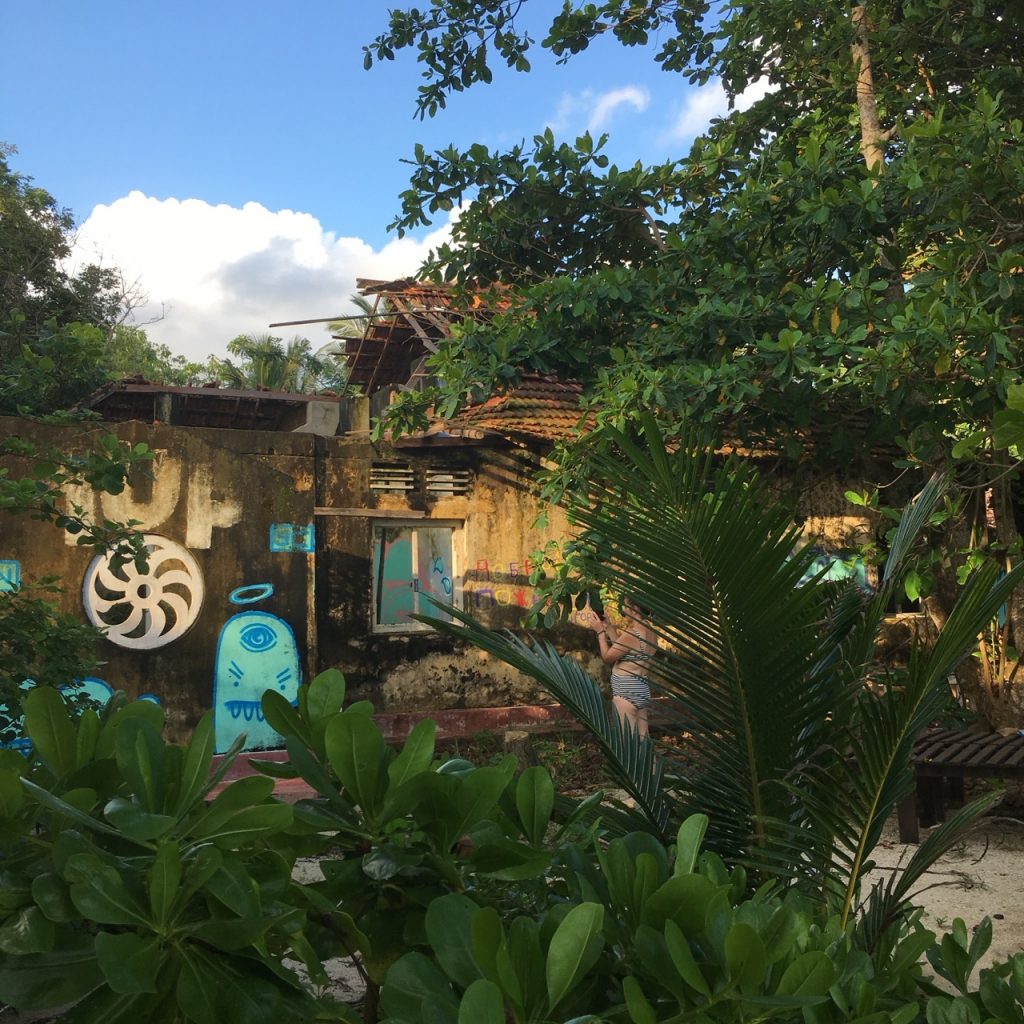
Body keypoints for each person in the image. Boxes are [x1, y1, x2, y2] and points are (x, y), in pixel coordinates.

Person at [584, 596, 657, 737]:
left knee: (628, 744)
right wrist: (610, 628)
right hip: (641, 690)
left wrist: (600, 633)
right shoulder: (651, 632)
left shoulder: (632, 634)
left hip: (626, 695)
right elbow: (623, 649)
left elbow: (608, 657)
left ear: (634, 609)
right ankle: (649, 760)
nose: (623, 610)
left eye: (625, 607)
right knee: (643, 741)